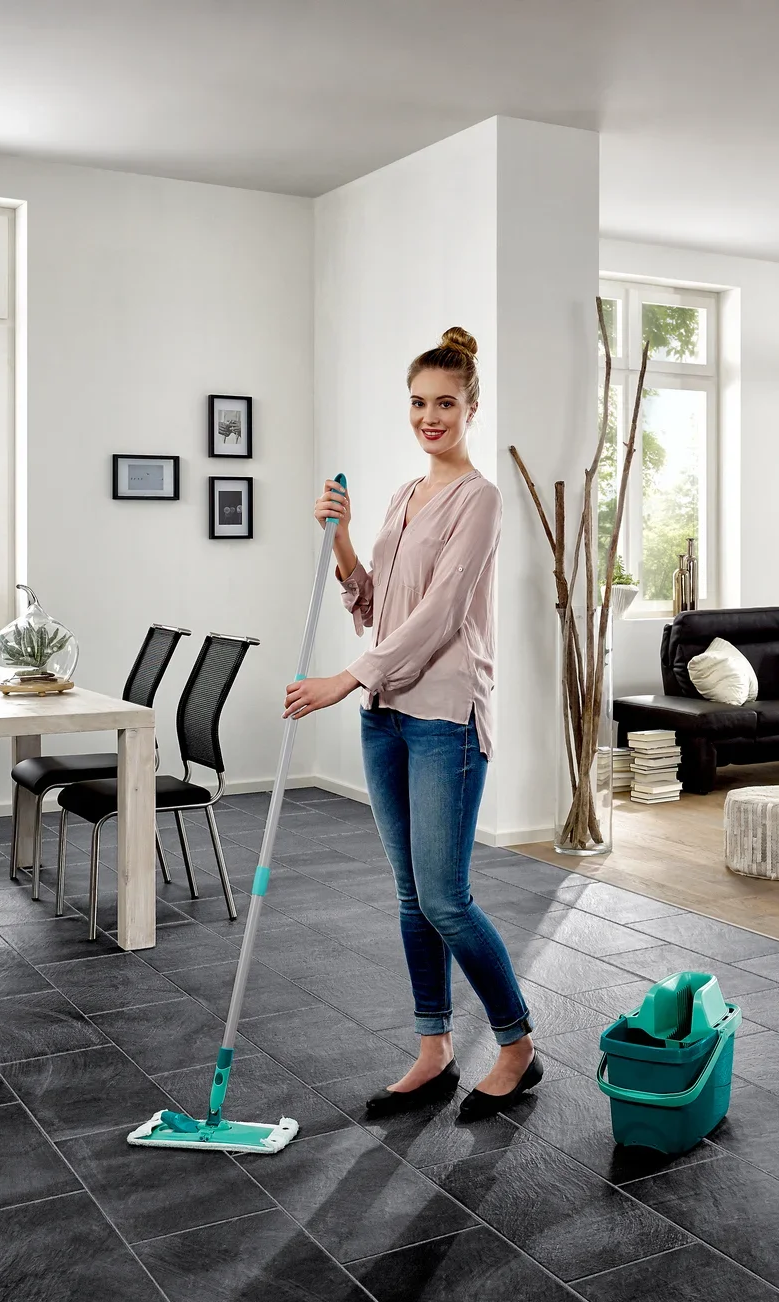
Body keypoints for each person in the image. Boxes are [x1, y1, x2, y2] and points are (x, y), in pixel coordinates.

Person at [283, 326, 541, 1120]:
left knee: (446, 898)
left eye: (446, 404)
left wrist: (342, 680)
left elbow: (436, 619)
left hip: (444, 719)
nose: (430, 417)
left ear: (471, 408)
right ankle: (433, 1048)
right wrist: (344, 538)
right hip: (386, 716)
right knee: (410, 896)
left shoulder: (481, 499)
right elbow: (374, 606)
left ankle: (517, 1044)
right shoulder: (404, 496)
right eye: (419, 403)